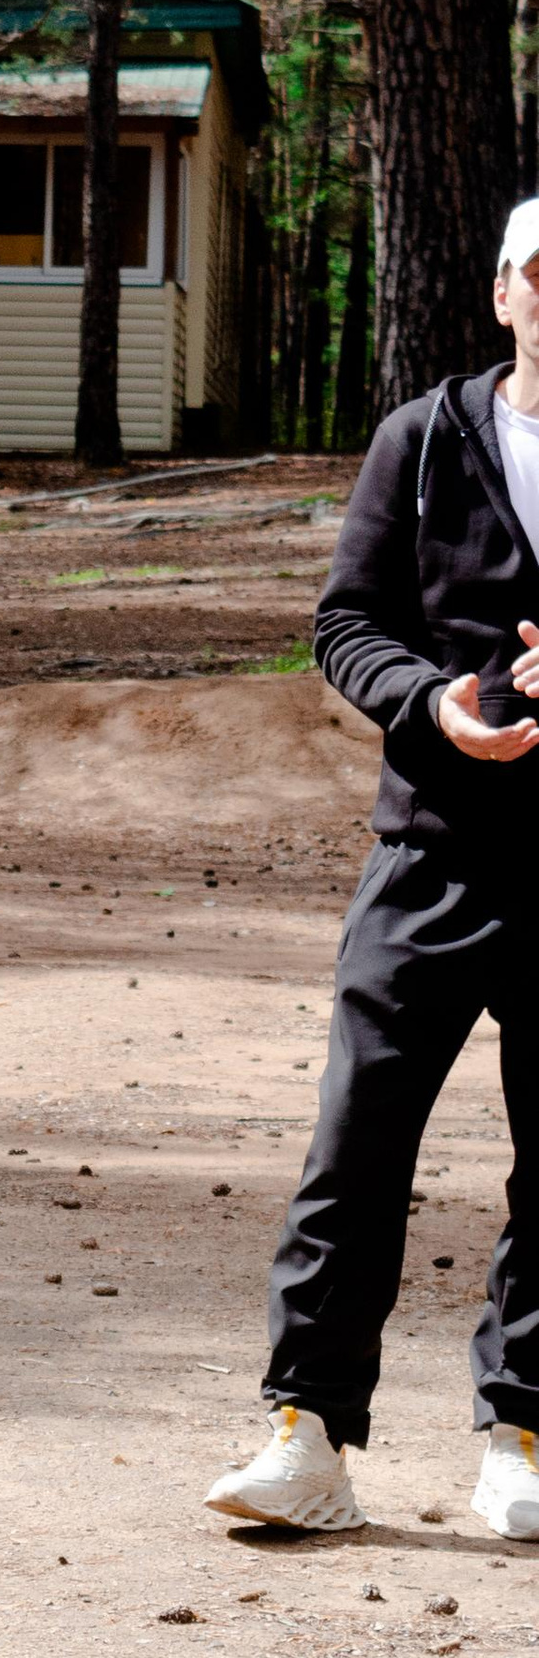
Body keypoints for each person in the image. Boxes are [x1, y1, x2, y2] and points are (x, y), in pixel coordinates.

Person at [208, 195, 539, 1543]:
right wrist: (432, 705)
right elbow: (345, 622)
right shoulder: (422, 439)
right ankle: (308, 1434)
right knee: (357, 1141)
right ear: (507, 286)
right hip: (432, 852)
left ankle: (522, 1436)